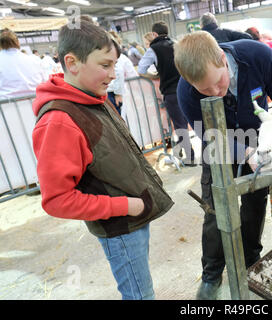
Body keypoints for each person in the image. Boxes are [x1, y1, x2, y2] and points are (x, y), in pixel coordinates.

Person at [31, 20, 174, 300]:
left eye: (115, 65)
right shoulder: (60, 121)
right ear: (72, 63)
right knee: (139, 296)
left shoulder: (93, 95)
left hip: (132, 217)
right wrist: (126, 205)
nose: (113, 74)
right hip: (119, 224)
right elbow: (57, 199)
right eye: (105, 65)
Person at [174, 31, 272, 300]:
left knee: (255, 204)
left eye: (218, 82)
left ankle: (251, 261)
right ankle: (212, 274)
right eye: (204, 90)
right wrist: (243, 151)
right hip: (218, 148)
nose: (216, 92)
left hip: (258, 142)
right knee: (216, 210)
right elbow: (208, 136)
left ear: (222, 59)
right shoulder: (185, 91)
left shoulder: (258, 56)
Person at [138, 21, 196, 165]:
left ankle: (190, 157)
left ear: (154, 34)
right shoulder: (177, 44)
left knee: (180, 125)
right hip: (187, 88)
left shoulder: (153, 49)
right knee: (194, 121)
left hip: (171, 91)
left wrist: (154, 76)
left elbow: (141, 70)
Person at [0, 29, 46, 99]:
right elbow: (44, 81)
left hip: (7, 105)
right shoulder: (34, 59)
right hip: (36, 102)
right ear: (18, 42)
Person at [107, 30, 138, 115]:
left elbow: (118, 71)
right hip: (114, 92)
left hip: (115, 92)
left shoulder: (117, 57)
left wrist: (118, 93)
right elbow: (120, 72)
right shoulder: (120, 57)